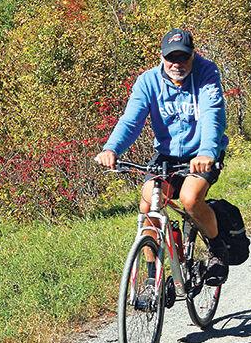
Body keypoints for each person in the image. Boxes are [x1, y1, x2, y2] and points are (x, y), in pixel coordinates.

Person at [94, 28, 230, 283]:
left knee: (190, 199)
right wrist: (111, 148)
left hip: (202, 153)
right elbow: (131, 121)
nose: (177, 64)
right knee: (148, 204)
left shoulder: (206, 72)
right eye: (171, 58)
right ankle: (151, 278)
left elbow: (213, 115)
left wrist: (207, 152)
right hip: (167, 154)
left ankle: (216, 248)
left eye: (183, 58)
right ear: (161, 56)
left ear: (193, 54)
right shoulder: (148, 81)